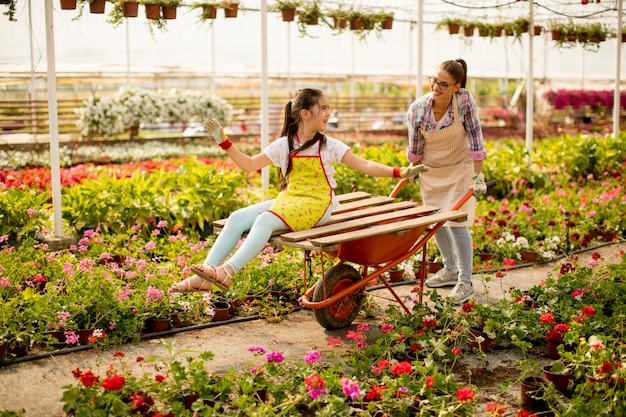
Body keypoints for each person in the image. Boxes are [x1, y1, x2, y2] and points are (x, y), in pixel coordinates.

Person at [170, 87, 428, 293]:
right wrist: (224, 142)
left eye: (329, 107)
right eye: (323, 108)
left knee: (264, 220)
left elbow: (365, 164)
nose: (328, 113)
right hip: (292, 201)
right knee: (238, 217)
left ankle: (229, 271)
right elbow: (248, 165)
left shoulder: (329, 145)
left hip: (318, 205)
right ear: (305, 113)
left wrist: (399, 171)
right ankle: (204, 273)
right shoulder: (284, 144)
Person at [406, 59, 487, 304]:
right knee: (437, 221)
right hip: (432, 170)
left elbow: (475, 137)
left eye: (444, 83)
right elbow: (415, 146)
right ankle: (450, 269)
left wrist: (478, 175)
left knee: (457, 221)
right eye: (434, 80)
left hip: (460, 166)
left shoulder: (464, 101)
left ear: (456, 86)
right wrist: (413, 168)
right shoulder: (417, 109)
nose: (436, 87)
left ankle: (465, 281)